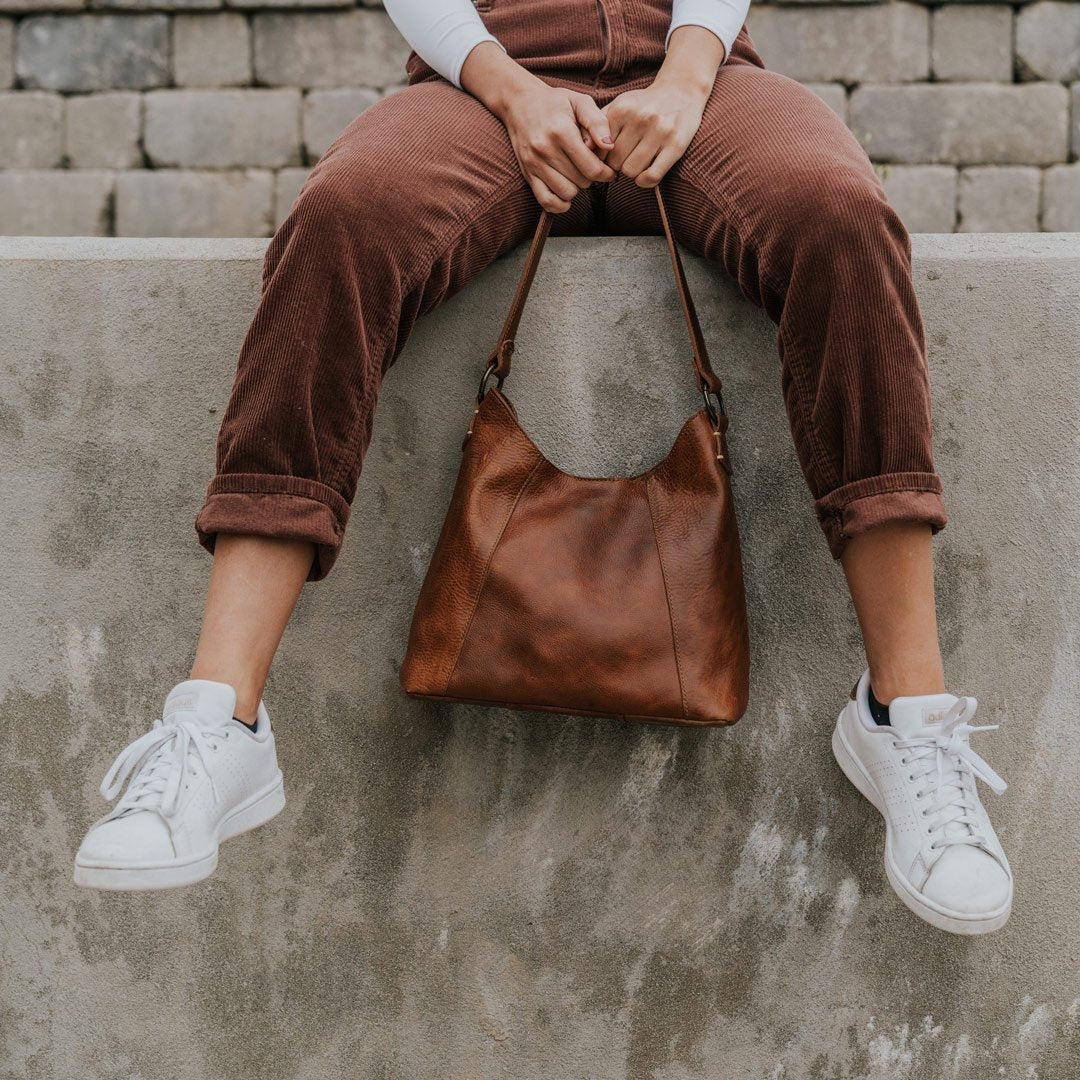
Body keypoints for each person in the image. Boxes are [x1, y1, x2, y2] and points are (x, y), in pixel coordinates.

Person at [72, 0, 1012, 935]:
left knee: (840, 216)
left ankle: (907, 719)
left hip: (700, 73)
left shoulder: (699, 79)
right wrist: (510, 88)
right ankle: (217, 724)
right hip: (482, 79)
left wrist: (685, 82)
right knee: (343, 220)